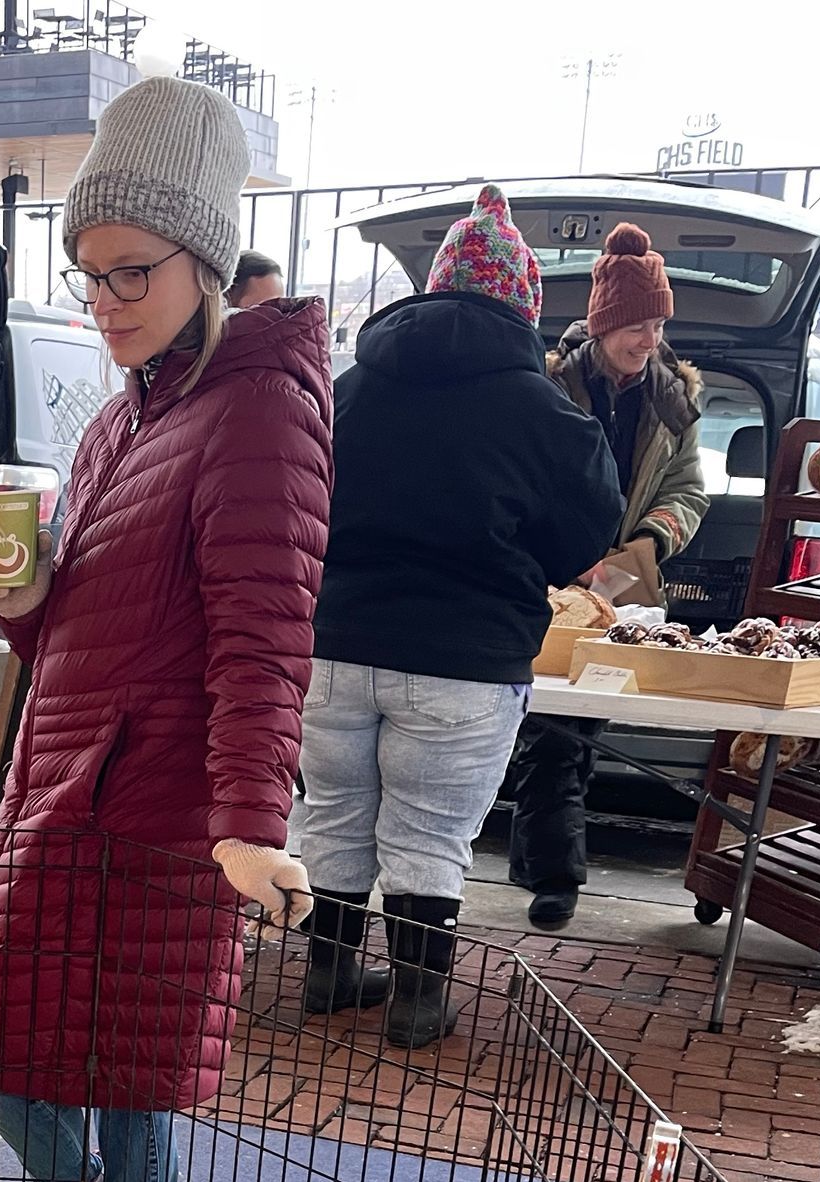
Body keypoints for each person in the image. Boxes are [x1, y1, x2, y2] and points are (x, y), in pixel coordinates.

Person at [0, 76, 328, 1182]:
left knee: (120, 1051)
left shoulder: (261, 407)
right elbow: (71, 627)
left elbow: (266, 637)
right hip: (68, 781)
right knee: (30, 1037)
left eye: (128, 274)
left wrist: (249, 819)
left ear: (203, 259)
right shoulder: (124, 413)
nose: (102, 303)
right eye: (86, 275)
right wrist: (21, 591)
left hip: (161, 801)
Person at [301, 186, 622, 1045]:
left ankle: (326, 970)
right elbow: (584, 535)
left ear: (436, 286)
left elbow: (293, 502)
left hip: (329, 645)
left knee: (331, 811)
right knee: (429, 830)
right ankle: (415, 999)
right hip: (468, 660)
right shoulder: (550, 415)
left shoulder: (344, 393)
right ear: (523, 304)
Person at [508, 223, 709, 930]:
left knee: (571, 728)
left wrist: (641, 552)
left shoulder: (673, 401)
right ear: (603, 323)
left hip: (623, 583)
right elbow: (523, 478)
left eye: (657, 323)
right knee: (545, 728)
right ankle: (547, 868)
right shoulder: (549, 386)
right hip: (546, 573)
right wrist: (565, 556)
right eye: (635, 324)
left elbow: (688, 490)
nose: (648, 338)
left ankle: (549, 873)